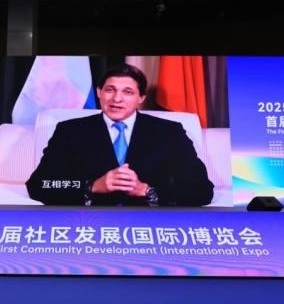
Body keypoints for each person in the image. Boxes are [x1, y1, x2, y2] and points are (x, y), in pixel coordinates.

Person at [26, 64, 214, 206]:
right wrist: (92, 186)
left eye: (128, 92)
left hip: (149, 222)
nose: (116, 99)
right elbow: (40, 184)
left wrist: (146, 190)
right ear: (99, 92)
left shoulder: (169, 132)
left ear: (141, 98)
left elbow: (202, 190)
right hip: (89, 221)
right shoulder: (70, 131)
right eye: (110, 90)